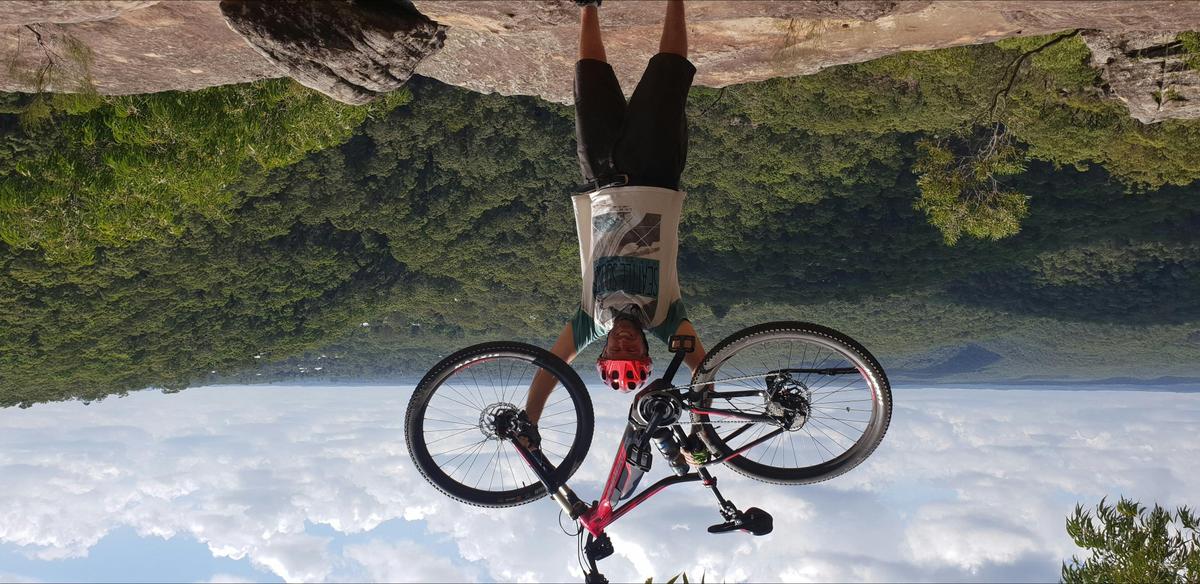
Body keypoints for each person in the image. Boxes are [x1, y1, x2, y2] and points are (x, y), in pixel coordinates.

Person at [520, 0, 709, 465]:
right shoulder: (667, 317)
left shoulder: (590, 318)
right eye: (632, 350)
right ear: (647, 348)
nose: (623, 342)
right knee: (667, 75)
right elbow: (704, 371)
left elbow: (551, 367)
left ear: (603, 351)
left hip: (601, 180)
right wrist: (701, 429)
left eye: (615, 351)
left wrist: (531, 420)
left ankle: (588, 5)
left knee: (589, 81)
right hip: (655, 173)